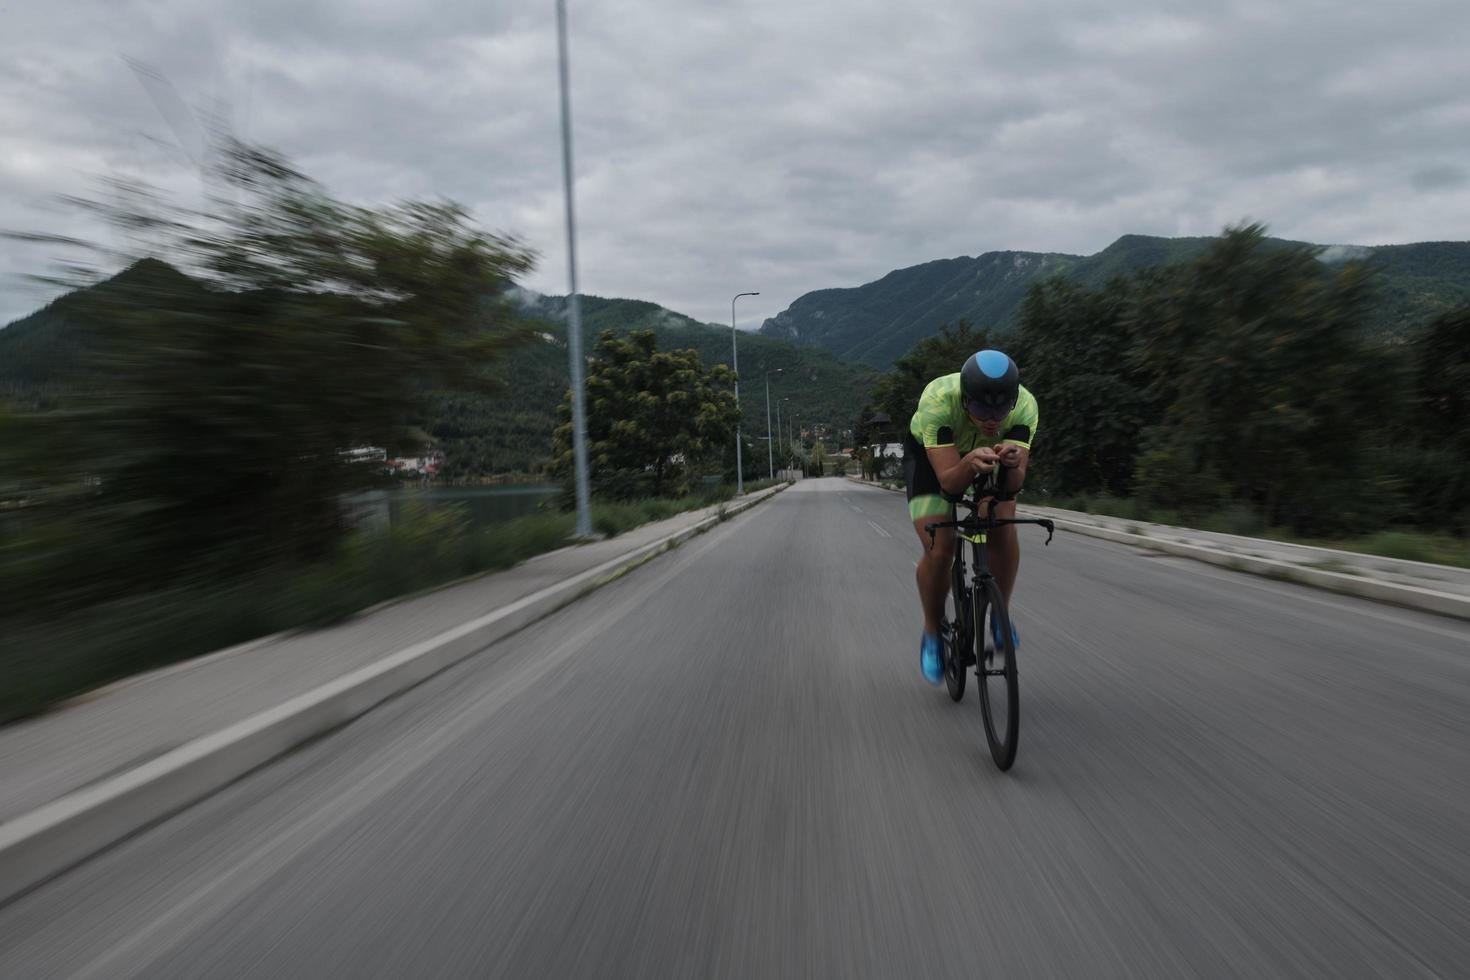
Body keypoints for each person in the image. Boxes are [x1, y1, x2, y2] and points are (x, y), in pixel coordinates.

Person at [904, 349, 1037, 685]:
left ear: (1012, 401)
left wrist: (1011, 465)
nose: (991, 419)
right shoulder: (937, 400)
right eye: (980, 408)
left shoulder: (1024, 406)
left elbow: (1015, 484)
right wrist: (967, 464)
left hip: (989, 458)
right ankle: (933, 633)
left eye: (999, 409)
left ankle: (999, 615)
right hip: (933, 462)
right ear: (964, 401)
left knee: (1002, 525)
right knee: (940, 548)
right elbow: (948, 484)